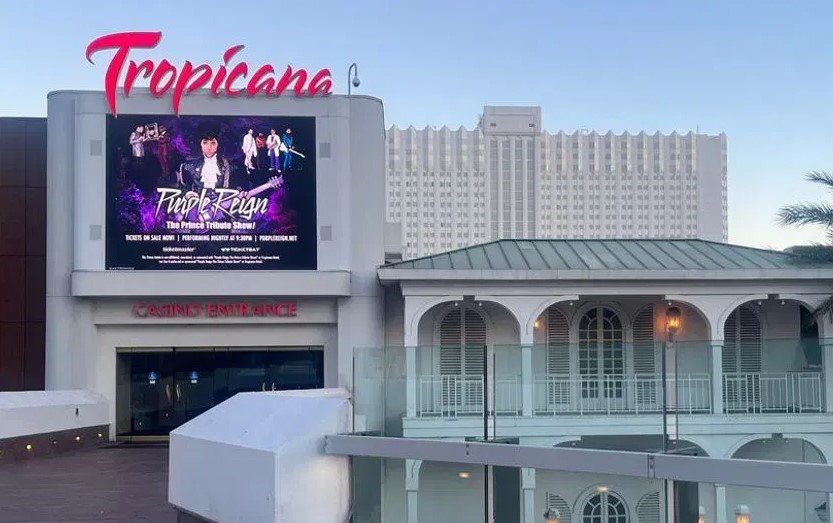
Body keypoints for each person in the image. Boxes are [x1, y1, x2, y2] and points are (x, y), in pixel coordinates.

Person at [179, 124, 231, 192]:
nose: (209, 147)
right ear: (200, 144)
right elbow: (184, 187)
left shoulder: (225, 164)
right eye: (205, 143)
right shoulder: (188, 166)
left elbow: (228, 188)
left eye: (213, 143)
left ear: (218, 144)